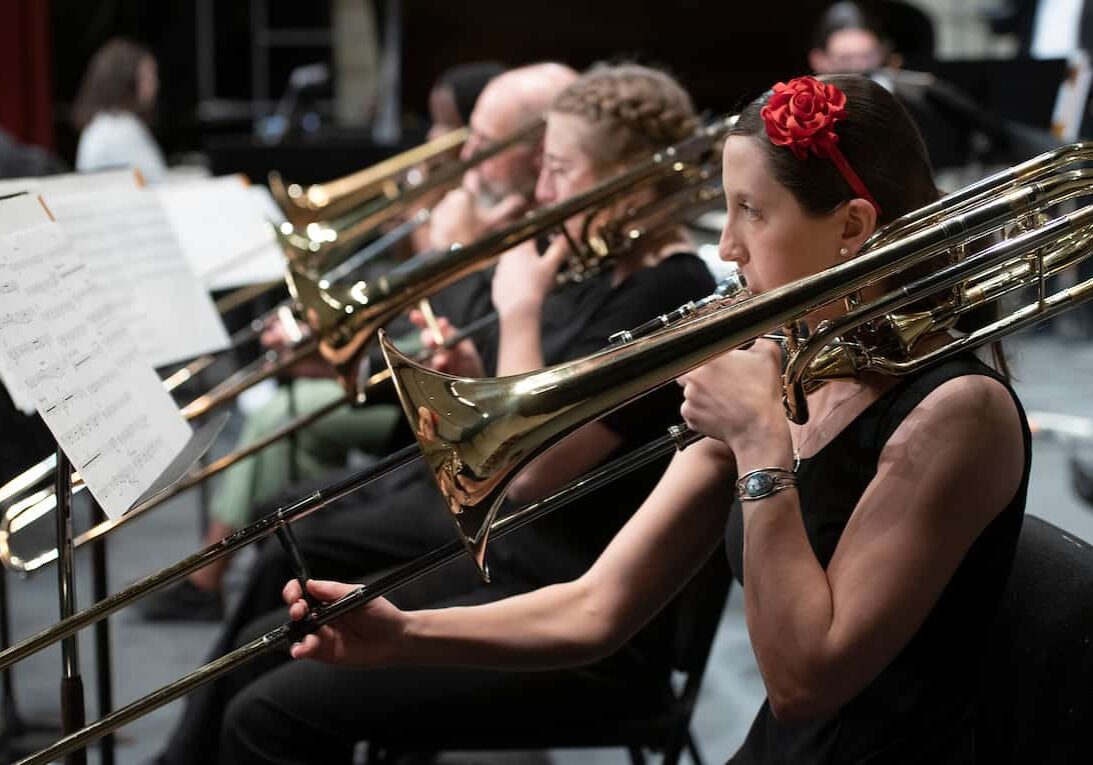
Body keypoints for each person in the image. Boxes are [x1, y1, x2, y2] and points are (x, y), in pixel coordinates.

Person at [283, 74, 1031, 764]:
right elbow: (596, 606)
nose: (725, 244)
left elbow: (804, 683)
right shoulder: (788, 364)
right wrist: (405, 634)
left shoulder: (958, 411)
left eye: (751, 211)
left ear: (851, 224)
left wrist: (758, 445)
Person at [155, 63, 716, 764]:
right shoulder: (604, 269)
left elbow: (532, 473)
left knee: (269, 709)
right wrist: (476, 377)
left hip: (571, 616)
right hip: (512, 564)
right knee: (267, 642)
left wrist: (519, 308)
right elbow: (537, 419)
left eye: (559, 170)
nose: (540, 193)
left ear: (626, 179)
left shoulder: (669, 294)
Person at [139, 63, 573, 622]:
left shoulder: (508, 220)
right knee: (279, 457)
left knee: (274, 427)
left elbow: (456, 320)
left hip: (450, 437)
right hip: (429, 394)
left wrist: (454, 240)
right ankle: (218, 580)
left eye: (469, 136)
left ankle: (210, 578)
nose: (447, 147)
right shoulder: (472, 201)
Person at [73, 38, 167, 182]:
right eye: (148, 77)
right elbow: (156, 182)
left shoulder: (102, 125)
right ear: (126, 80)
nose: (155, 85)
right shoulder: (120, 130)